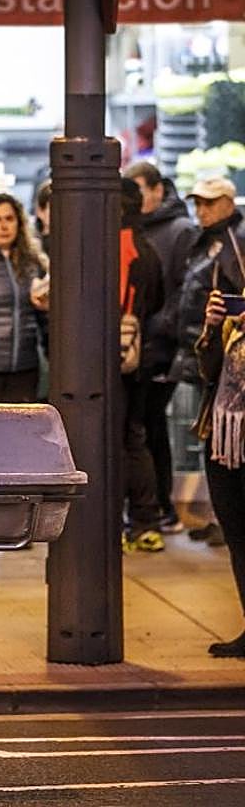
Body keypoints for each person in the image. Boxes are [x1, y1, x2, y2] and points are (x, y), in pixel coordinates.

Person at [125, 162, 202, 532]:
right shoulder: (136, 232)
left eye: (139, 191)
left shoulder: (180, 231)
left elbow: (184, 290)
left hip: (162, 346)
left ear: (158, 190)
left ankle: (160, 508)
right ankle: (153, 507)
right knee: (143, 426)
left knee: (149, 427)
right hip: (144, 342)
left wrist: (159, 326)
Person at [173, 176, 245, 546]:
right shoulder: (204, 242)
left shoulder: (235, 241)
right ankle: (220, 518)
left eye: (210, 202)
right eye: (198, 203)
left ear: (229, 204)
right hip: (212, 371)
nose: (202, 210)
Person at [194, 276, 245, 658]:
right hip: (224, 439)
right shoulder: (234, 317)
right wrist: (212, 326)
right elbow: (208, 373)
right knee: (238, 537)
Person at [119, 178, 166, 553]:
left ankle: (137, 520)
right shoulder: (147, 247)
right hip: (143, 357)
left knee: (123, 440)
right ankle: (146, 521)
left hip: (117, 362)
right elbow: (160, 299)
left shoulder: (122, 247)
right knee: (136, 437)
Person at [0, 193, 48, 402]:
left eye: (9, 219)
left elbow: (45, 320)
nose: (4, 226)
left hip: (26, 365)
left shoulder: (33, 263)